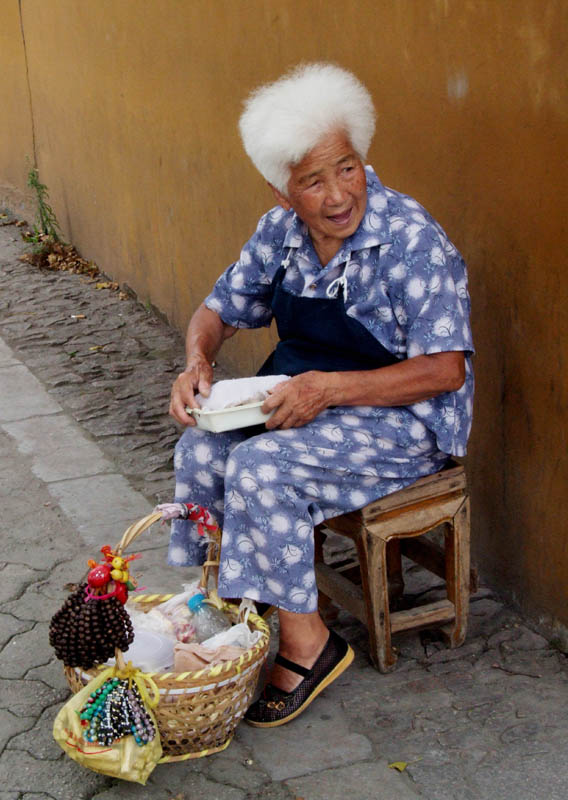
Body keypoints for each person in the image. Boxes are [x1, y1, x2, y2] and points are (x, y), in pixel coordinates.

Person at [168, 62, 474, 727]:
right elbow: (217, 309)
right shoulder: (278, 234)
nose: (338, 195)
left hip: (405, 424)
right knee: (199, 450)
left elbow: (446, 369)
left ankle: (310, 644)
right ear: (282, 192)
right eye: (312, 181)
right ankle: (232, 614)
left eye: (347, 167)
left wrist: (332, 389)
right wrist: (197, 361)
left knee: (259, 465)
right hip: (312, 400)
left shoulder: (412, 240)